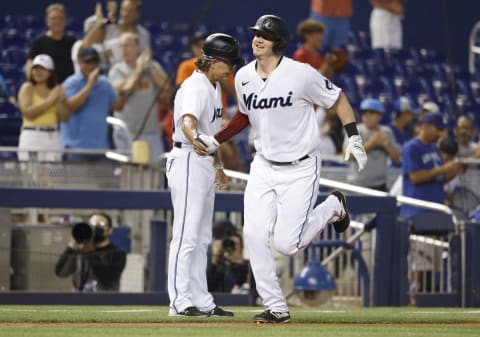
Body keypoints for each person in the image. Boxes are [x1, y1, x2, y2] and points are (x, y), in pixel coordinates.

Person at [195, 15, 367, 323]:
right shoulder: (244, 75)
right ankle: (276, 307)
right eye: (256, 33)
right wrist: (215, 139)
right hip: (263, 166)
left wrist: (353, 136)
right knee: (254, 234)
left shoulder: (301, 74)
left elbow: (338, 98)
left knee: (288, 244)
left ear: (279, 42)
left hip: (300, 167)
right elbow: (243, 117)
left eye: (265, 34)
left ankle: (331, 207)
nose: (258, 38)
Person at [166, 33, 244, 317]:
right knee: (186, 235)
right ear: (213, 61)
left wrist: (218, 166)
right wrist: (197, 138)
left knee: (201, 238)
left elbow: (212, 135)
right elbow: (188, 123)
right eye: (229, 63)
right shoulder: (196, 85)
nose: (232, 68)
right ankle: (179, 301)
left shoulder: (214, 86)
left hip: (202, 160)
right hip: (187, 157)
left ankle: (201, 300)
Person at [108, 32, 171, 163]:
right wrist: (139, 69)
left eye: (128, 46)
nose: (124, 50)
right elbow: (126, 88)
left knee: (154, 174)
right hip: (126, 132)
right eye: (122, 46)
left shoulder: (151, 66)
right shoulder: (116, 70)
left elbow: (166, 86)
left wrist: (150, 65)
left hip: (151, 131)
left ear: (138, 47)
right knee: (130, 174)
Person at [61, 47, 127, 155]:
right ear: (79, 63)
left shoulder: (104, 83)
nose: (91, 66)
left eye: (94, 62)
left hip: (100, 148)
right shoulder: (71, 83)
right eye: (87, 62)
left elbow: (117, 106)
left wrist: (123, 93)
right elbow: (71, 107)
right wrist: (90, 85)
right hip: (76, 148)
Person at [401, 112, 460, 218]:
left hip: (436, 209)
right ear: (426, 126)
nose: (441, 134)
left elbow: (438, 178)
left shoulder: (434, 148)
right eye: (438, 129)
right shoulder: (411, 147)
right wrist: (443, 169)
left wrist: (453, 172)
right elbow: (416, 177)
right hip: (417, 210)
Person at [55, 212, 127, 292]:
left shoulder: (117, 253)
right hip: (79, 301)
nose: (95, 228)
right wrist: (71, 246)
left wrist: (89, 253)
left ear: (109, 230)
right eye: (91, 224)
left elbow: (108, 279)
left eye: (100, 224)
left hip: (105, 301)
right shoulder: (80, 252)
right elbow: (61, 272)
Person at [17, 54, 68, 162]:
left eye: (42, 68)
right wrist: (50, 100)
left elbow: (64, 118)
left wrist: (61, 100)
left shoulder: (56, 90)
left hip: (53, 138)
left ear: (50, 72)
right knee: (31, 177)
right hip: (32, 137)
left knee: (54, 176)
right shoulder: (27, 87)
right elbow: (28, 113)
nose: (38, 72)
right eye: (35, 68)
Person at [347, 98, 400, 191]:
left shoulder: (386, 132)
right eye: (364, 113)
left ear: (380, 116)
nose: (367, 116)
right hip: (357, 186)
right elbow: (349, 156)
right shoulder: (355, 130)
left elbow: (397, 160)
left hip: (380, 186)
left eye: (371, 112)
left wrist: (387, 145)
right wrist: (371, 144)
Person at [26, 3, 76, 83]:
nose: (57, 21)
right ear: (47, 21)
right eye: (53, 18)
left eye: (60, 18)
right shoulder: (38, 43)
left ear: (65, 21)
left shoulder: (73, 42)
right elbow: (29, 69)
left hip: (70, 90)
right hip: (47, 91)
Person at [103, 0, 151, 66]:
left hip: (134, 71)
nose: (126, 14)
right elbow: (102, 51)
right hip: (110, 70)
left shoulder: (144, 35)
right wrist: (110, 58)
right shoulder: (108, 27)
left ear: (137, 14)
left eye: (130, 11)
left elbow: (145, 56)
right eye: (123, 10)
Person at [207, 222, 250, 294]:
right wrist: (214, 258)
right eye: (227, 243)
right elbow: (209, 287)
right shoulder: (219, 268)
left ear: (241, 246)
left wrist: (238, 261)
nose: (230, 247)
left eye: (233, 244)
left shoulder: (248, 268)